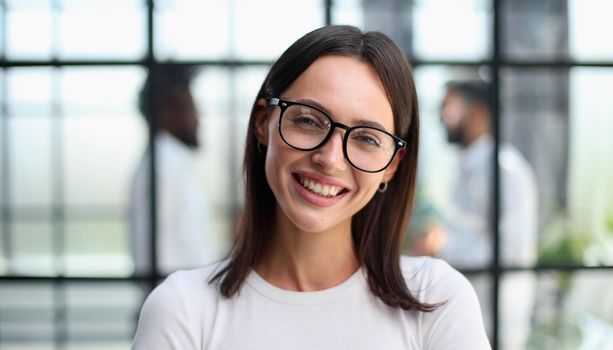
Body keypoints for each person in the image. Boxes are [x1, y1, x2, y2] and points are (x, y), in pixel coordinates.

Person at [132, 26, 490, 349]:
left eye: (367, 138)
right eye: (308, 120)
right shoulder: (183, 310)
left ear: (392, 165)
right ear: (263, 123)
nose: (331, 159)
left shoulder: (437, 300)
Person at [411, 80, 538, 349]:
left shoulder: (505, 171)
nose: (443, 117)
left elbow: (512, 251)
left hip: (495, 320)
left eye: (451, 108)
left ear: (478, 113)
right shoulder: (466, 166)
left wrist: (442, 245)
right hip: (468, 314)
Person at [130, 65, 216, 275]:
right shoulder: (164, 165)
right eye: (190, 106)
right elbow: (163, 258)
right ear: (168, 111)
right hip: (179, 302)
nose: (198, 117)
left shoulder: (167, 162)